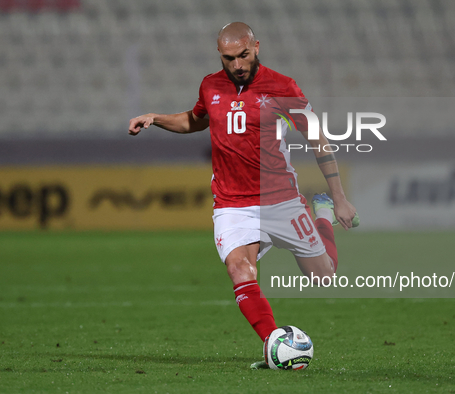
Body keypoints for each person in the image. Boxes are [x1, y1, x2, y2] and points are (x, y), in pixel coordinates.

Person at [128, 22, 359, 368]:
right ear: (219, 54)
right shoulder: (210, 85)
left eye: (243, 55)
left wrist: (338, 197)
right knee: (239, 268)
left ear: (257, 47)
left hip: (281, 199)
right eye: (229, 57)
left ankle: (321, 216)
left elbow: (317, 139)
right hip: (232, 203)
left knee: (323, 275)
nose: (237, 64)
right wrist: (155, 118)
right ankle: (274, 344)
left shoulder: (283, 87)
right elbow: (195, 120)